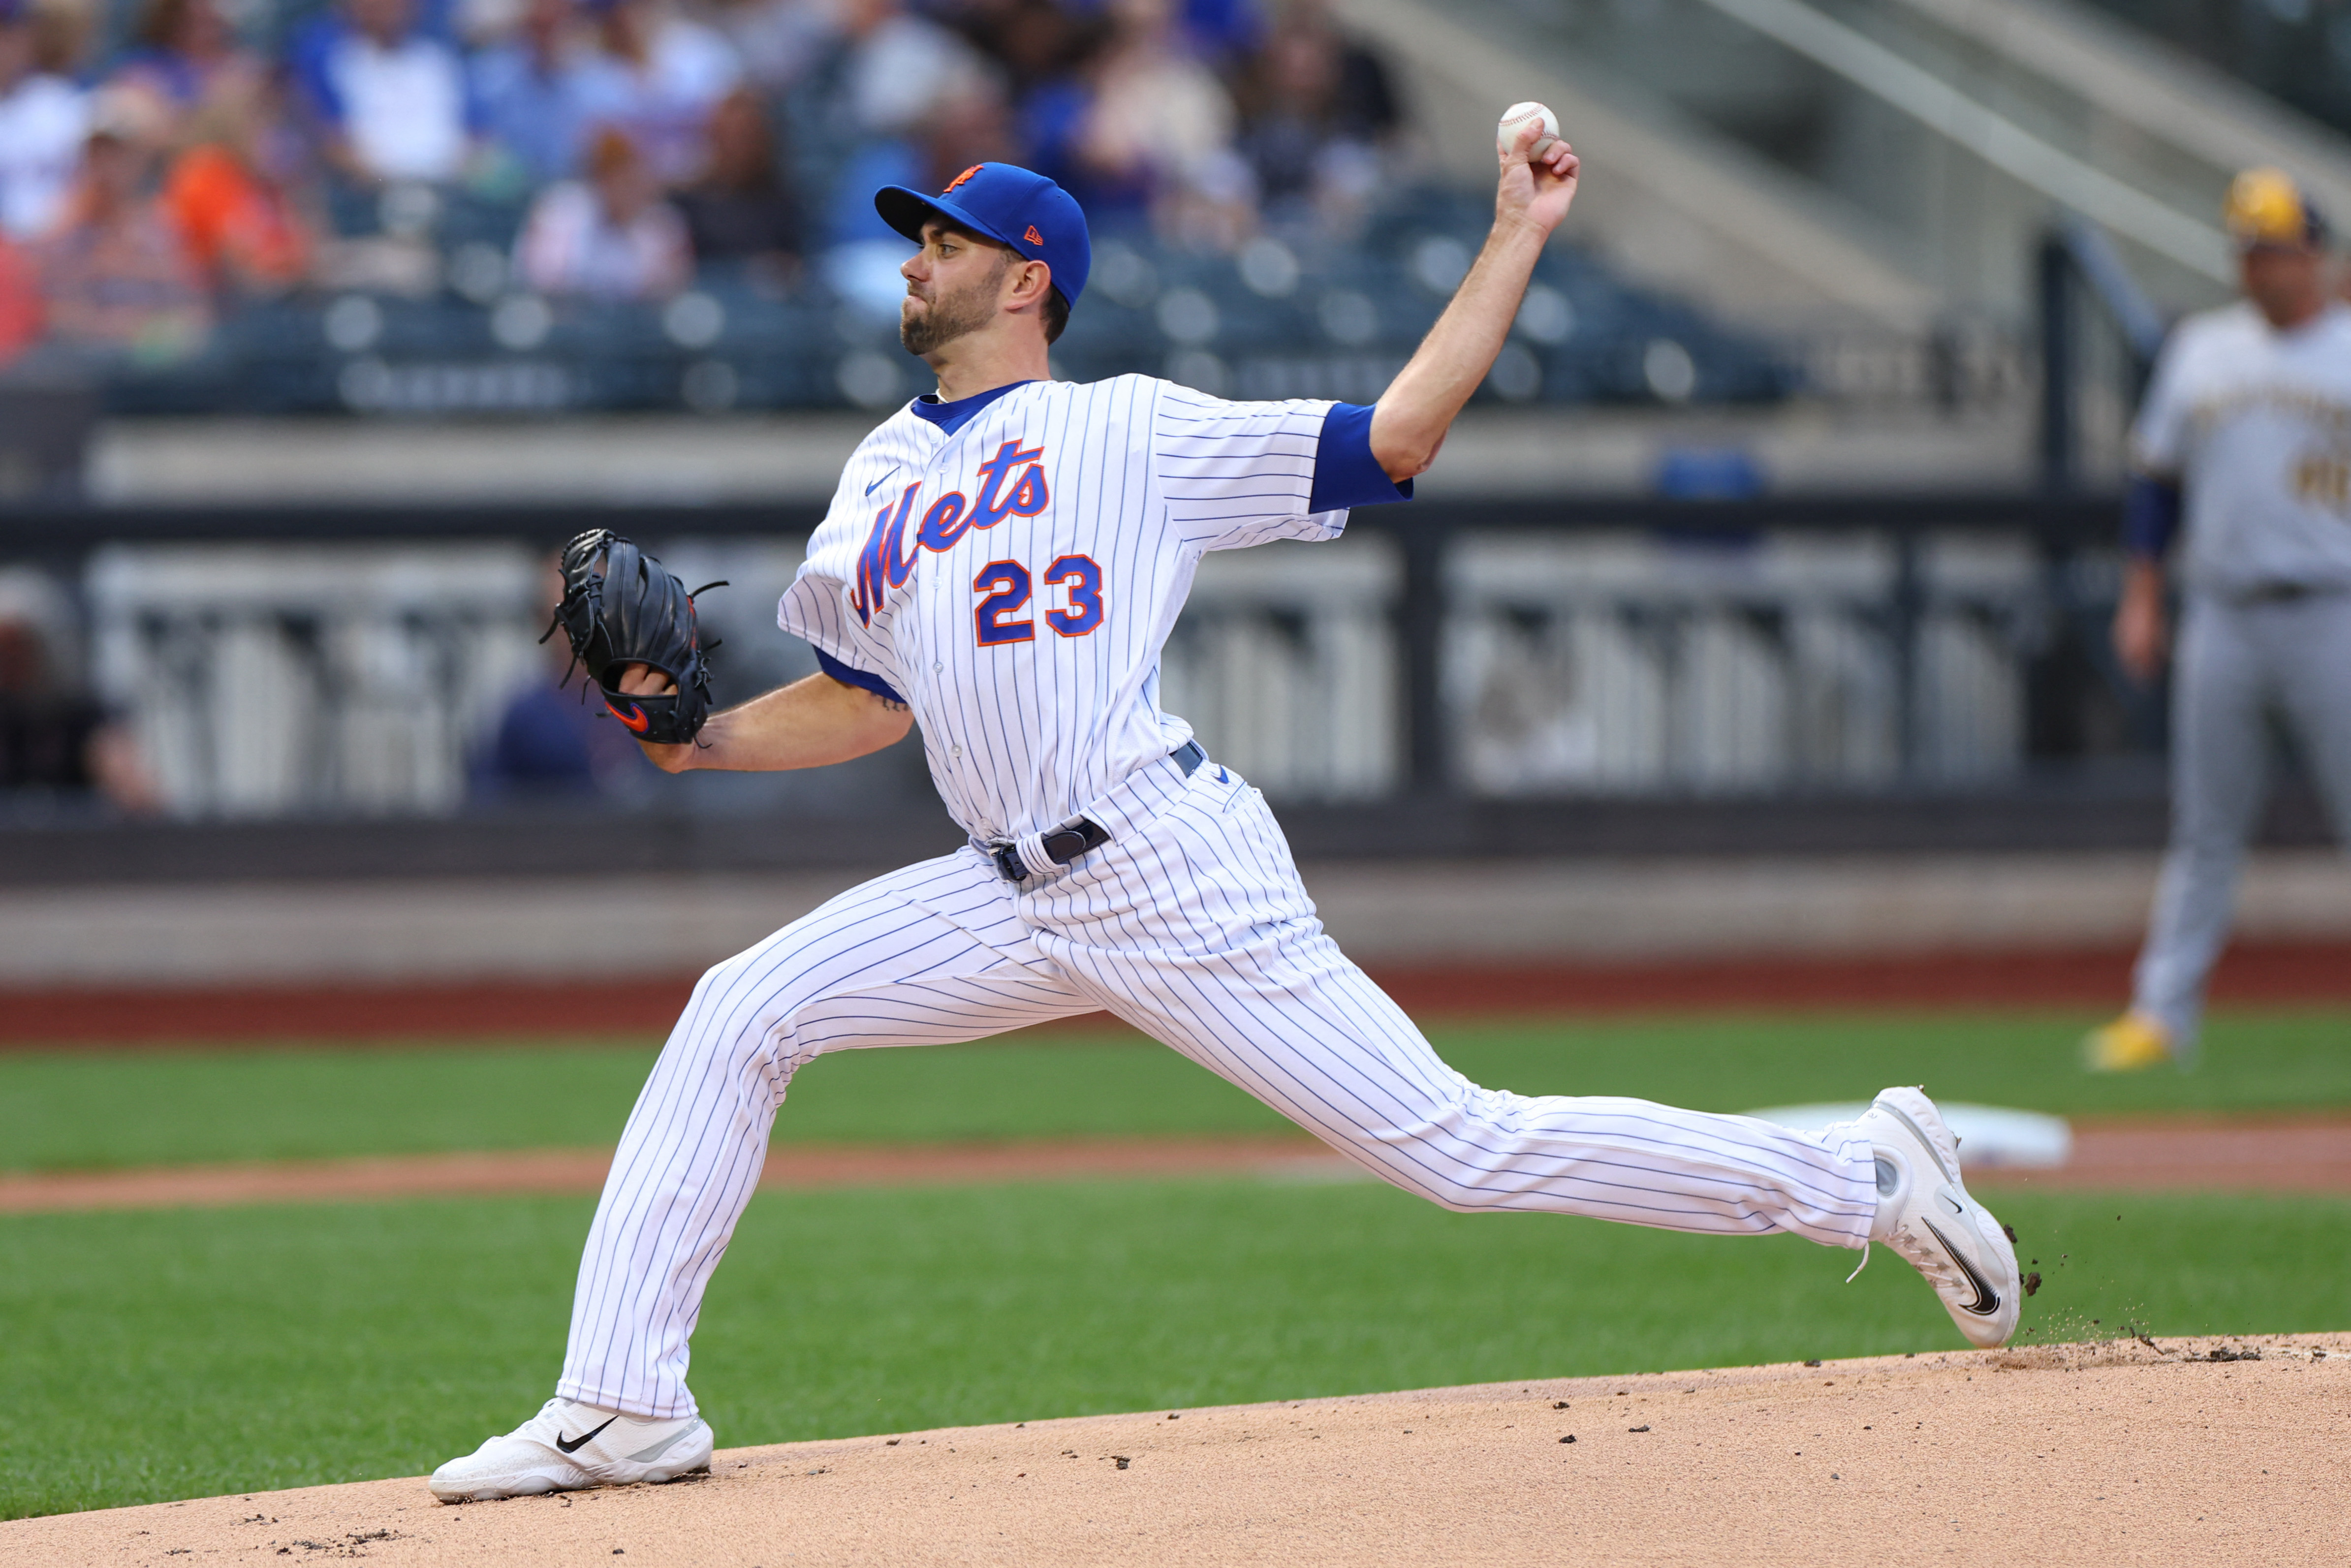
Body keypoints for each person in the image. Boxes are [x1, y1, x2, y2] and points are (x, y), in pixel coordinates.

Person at [429, 129, 2022, 1503]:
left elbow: (1393, 440)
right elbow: (862, 697)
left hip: (1164, 870)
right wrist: (696, 737)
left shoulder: (1131, 429)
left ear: (1028, 276)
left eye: (947, 237)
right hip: (996, 892)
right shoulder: (876, 476)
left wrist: (1513, 232)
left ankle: (1863, 1183)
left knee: (1457, 1147)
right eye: (914, 235)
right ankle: (629, 1404)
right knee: (739, 1010)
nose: (915, 256)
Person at [2083, 167, 2351, 1072]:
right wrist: (2142, 596)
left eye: (2274, 248)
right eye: (2247, 250)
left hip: (2332, 609)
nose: (2259, 266)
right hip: (2224, 613)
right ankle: (2161, 1017)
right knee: (2203, 828)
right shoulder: (2201, 348)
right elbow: (2154, 484)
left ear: (2314, 253)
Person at [290, 0, 475, 186]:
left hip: (449, 187)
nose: (386, 7)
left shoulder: (438, 60)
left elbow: (473, 136)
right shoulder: (334, 60)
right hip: (370, 191)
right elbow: (330, 139)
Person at [512, 124, 691, 299]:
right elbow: (543, 282)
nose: (636, 189)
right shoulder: (561, 209)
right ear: (603, 178)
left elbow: (667, 293)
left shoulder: (661, 223)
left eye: (641, 180)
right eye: (626, 179)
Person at [672, 86, 800, 277]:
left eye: (746, 135)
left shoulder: (783, 203)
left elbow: (794, 266)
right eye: (728, 135)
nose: (736, 145)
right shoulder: (686, 201)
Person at [0, 0, 90, 242]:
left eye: (11, 31)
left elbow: (95, 185)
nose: (6, 43)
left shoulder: (61, 103)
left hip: (61, 253)